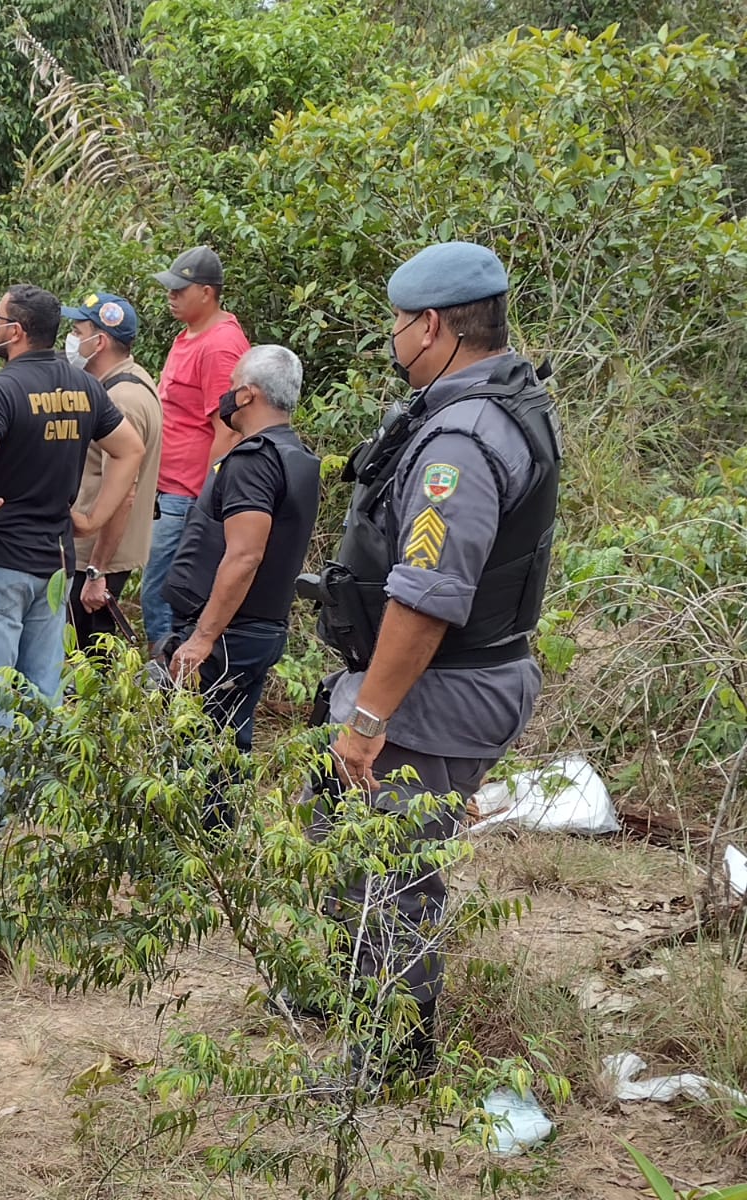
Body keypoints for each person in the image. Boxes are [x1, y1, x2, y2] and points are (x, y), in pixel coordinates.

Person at [303, 242, 560, 1066]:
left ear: (432, 324)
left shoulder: (462, 440)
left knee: (391, 868)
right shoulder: (495, 401)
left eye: (399, 324)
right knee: (351, 845)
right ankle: (360, 997)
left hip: (439, 688)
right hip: (450, 678)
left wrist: (368, 718)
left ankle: (392, 1053)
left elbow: (428, 595)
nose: (394, 338)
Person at [0, 284, 146, 838]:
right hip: (55, 562)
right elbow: (130, 450)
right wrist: (88, 519)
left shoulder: (0, 388)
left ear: (14, 331)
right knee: (41, 686)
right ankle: (38, 799)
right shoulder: (84, 387)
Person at [162, 345, 320, 799]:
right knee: (227, 750)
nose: (226, 397)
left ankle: (198, 858)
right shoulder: (296, 455)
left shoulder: (255, 459)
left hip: (231, 633)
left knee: (197, 757)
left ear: (248, 395)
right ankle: (219, 853)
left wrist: (203, 637)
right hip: (260, 628)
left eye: (232, 388)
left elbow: (244, 555)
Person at [140, 246, 251, 652]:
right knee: (160, 586)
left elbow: (226, 428)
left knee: (165, 591)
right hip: (170, 488)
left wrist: (210, 500)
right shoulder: (189, 334)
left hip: (189, 495)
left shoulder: (220, 345)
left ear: (207, 293)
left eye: (179, 289)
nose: (171, 296)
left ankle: (169, 682)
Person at [59, 292, 163, 653]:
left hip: (97, 555)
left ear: (99, 341)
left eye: (77, 330)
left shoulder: (121, 401)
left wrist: (96, 572)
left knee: (84, 660)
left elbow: (124, 493)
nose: (71, 339)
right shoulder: (133, 379)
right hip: (100, 551)